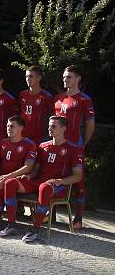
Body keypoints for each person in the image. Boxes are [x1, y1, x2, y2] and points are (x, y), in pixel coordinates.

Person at [0, 116, 83, 242]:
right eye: (49, 126)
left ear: (63, 129)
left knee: (45, 188)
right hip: (39, 182)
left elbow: (78, 176)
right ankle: (11, 225)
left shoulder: (73, 148)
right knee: (10, 183)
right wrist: (30, 175)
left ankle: (35, 229)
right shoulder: (43, 146)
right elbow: (36, 168)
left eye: (53, 126)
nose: (49, 128)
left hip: (58, 186)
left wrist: (61, 181)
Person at [53, 65, 94, 230]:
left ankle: (78, 218)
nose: (65, 79)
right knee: (55, 175)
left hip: (75, 146)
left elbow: (90, 125)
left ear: (78, 78)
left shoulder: (84, 99)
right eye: (64, 77)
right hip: (58, 146)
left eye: (69, 77)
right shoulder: (58, 98)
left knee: (78, 181)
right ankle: (51, 213)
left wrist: (82, 144)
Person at [18, 65, 53, 145]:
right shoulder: (22, 94)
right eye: (26, 76)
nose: (28, 79)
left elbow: (50, 116)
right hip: (23, 134)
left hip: (40, 137)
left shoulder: (47, 96)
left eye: (31, 76)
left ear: (39, 78)